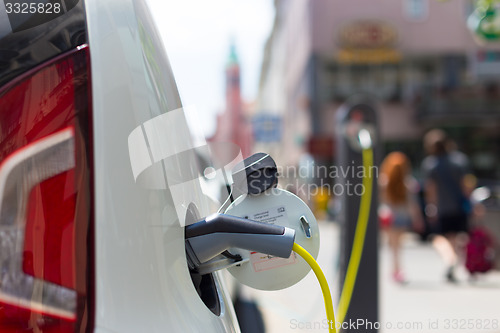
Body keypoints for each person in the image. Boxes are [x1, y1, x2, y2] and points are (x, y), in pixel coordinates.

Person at [421, 129, 470, 283]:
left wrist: (431, 207)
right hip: (459, 206)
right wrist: (471, 202)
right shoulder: (459, 160)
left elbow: (431, 189)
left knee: (439, 238)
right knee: (456, 237)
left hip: (443, 207)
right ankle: (454, 263)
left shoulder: (430, 164)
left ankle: (451, 259)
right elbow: (466, 185)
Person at [379, 152, 423, 284]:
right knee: (398, 245)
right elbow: (412, 204)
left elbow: (381, 200)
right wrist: (417, 218)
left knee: (392, 245)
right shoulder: (408, 183)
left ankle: (395, 269)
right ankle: (398, 269)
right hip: (402, 217)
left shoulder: (384, 181)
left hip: (389, 216)